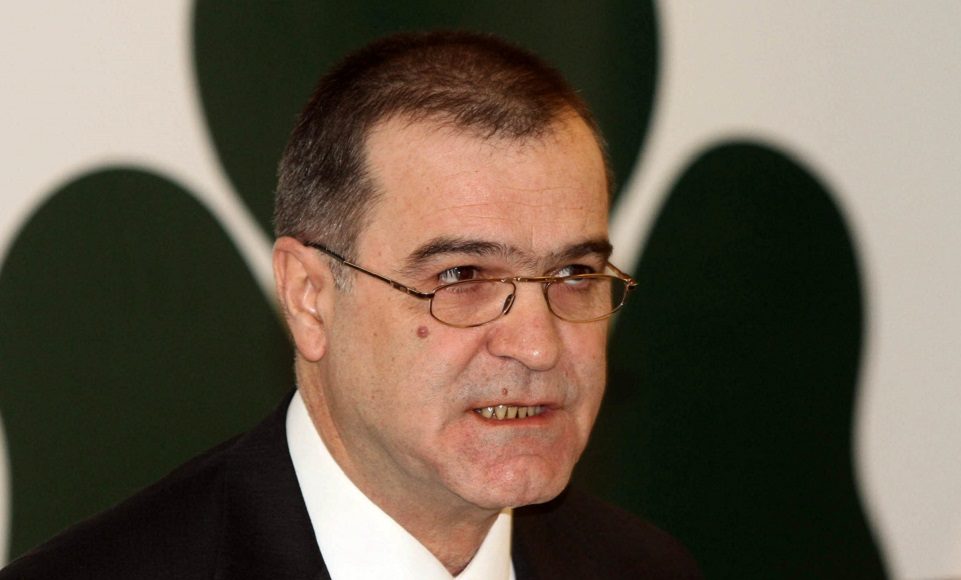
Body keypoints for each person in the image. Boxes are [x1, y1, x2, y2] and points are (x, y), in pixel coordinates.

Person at [0, 31, 700, 579]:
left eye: (575, 272)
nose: (539, 345)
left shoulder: (643, 569)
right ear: (309, 299)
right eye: (462, 275)